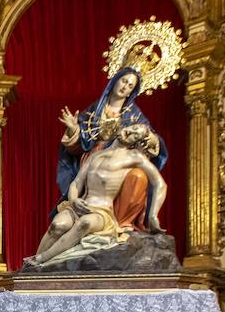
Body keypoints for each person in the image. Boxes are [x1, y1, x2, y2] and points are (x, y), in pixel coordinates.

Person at [25, 122, 167, 268]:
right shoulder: (96, 155)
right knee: (57, 225)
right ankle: (31, 268)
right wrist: (74, 201)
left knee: (84, 223)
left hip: (102, 212)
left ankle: (41, 259)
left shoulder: (134, 156)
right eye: (133, 128)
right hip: (79, 206)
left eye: (137, 135)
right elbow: (76, 183)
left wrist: (152, 215)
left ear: (136, 143)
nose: (132, 132)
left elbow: (159, 183)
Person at [56, 65, 165, 203]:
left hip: (120, 159)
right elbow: (77, 146)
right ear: (115, 81)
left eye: (130, 86)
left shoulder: (134, 114)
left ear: (131, 92)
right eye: (124, 81)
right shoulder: (95, 110)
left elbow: (149, 136)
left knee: (138, 178)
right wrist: (73, 129)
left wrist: (150, 138)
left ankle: (122, 221)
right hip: (94, 158)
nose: (125, 87)